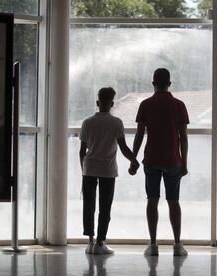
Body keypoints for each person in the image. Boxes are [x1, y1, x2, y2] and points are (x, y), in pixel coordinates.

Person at [130, 68, 189, 256]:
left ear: (153, 83)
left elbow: (139, 135)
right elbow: (183, 137)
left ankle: (153, 244)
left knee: (152, 201)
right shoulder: (179, 105)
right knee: (174, 202)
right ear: (169, 84)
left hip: (152, 159)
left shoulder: (146, 105)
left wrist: (133, 159)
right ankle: (178, 245)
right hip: (173, 160)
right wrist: (184, 162)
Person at [80, 87, 139, 255]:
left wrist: (83, 169)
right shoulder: (116, 123)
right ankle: (100, 243)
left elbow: (81, 151)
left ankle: (90, 242)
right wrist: (134, 161)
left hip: (89, 168)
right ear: (112, 103)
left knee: (88, 205)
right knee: (105, 207)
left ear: (97, 102)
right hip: (107, 170)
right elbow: (123, 148)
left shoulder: (87, 122)